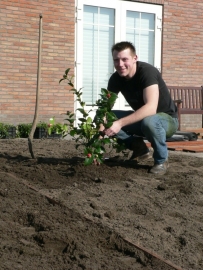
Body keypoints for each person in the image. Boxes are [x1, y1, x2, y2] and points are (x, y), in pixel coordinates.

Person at [101, 41, 179, 175]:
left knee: (150, 121)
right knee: (108, 117)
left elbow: (150, 109)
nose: (120, 64)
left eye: (124, 59)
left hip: (167, 121)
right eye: (116, 60)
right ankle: (139, 148)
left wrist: (119, 123)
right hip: (145, 121)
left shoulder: (147, 72)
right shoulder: (115, 79)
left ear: (134, 58)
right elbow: (105, 109)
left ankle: (161, 160)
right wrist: (100, 131)